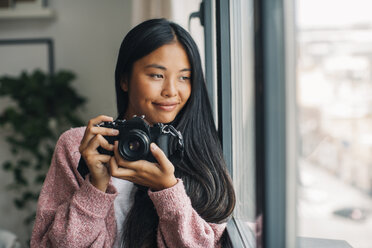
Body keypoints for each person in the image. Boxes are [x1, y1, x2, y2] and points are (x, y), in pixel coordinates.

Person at [30, 18, 235, 248]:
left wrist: (168, 191)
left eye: (184, 77)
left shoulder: (203, 153)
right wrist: (95, 187)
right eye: (157, 75)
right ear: (124, 79)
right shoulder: (79, 147)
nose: (171, 91)